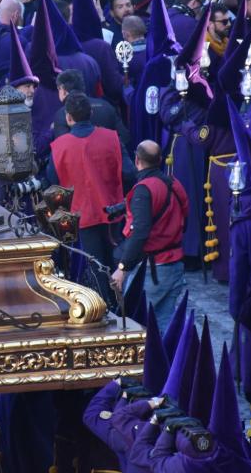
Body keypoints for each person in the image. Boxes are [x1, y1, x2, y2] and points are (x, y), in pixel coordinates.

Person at [49, 91, 126, 300]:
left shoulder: (59, 147)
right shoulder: (111, 138)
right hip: (113, 210)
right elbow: (127, 172)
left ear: (68, 117)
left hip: (81, 215)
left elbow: (51, 180)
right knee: (116, 261)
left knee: (95, 264)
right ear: (91, 112)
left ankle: (105, 305)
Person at [111, 140, 189, 329]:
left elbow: (139, 233)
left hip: (154, 270)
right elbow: (184, 217)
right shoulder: (174, 183)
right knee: (166, 328)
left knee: (137, 327)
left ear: (137, 160)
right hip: (174, 264)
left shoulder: (144, 190)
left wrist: (123, 268)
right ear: (160, 160)